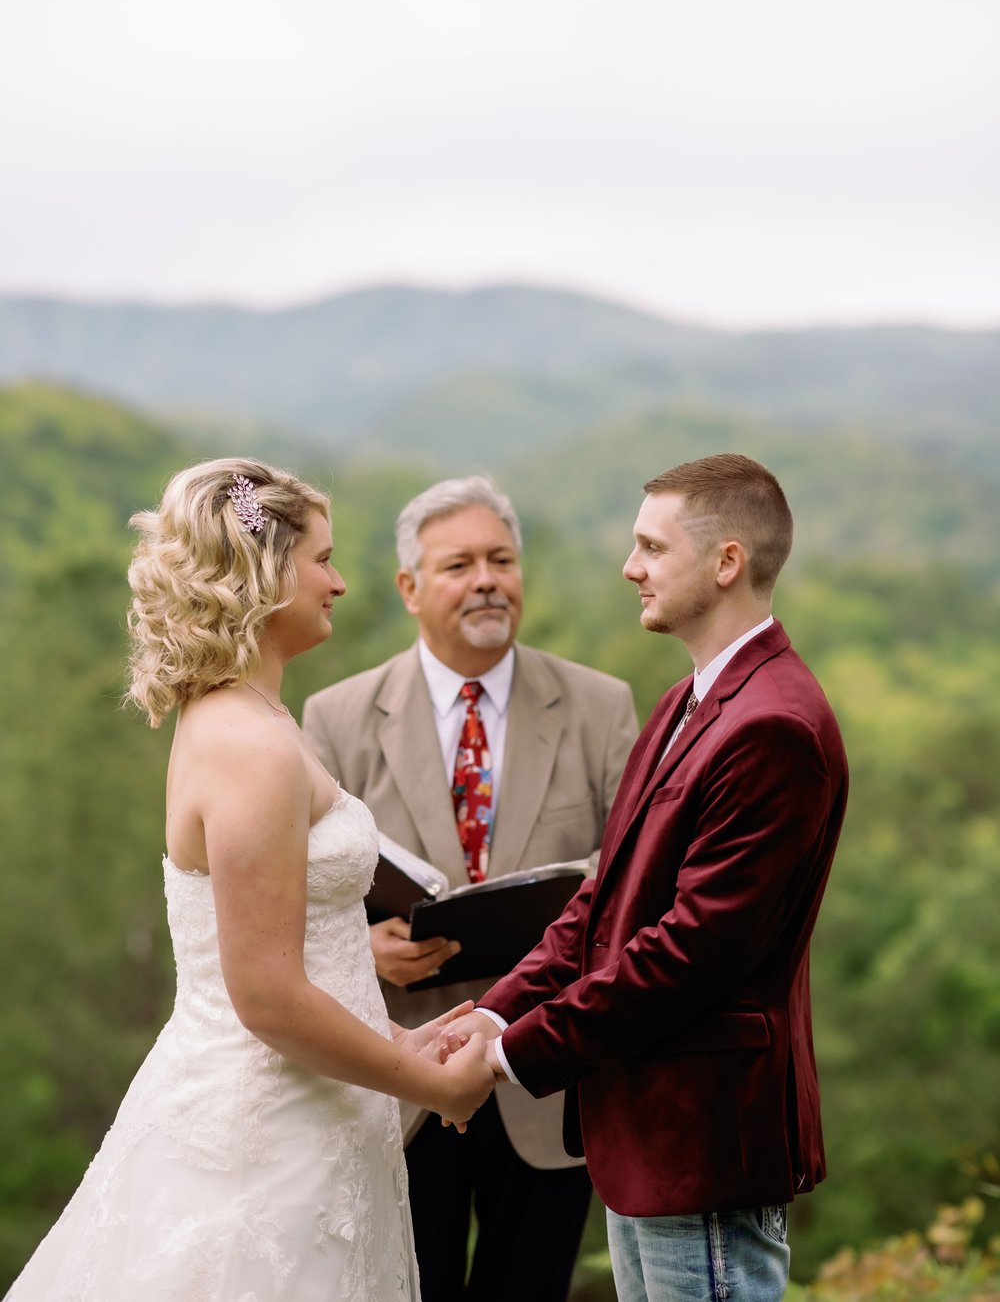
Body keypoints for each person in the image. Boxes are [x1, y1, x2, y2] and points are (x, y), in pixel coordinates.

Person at [5, 457, 494, 1302]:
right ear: (268, 571)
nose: (340, 582)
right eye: (324, 559)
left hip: (318, 1116)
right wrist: (424, 1081)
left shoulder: (267, 717)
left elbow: (309, 951)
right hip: (261, 1143)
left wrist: (400, 1041)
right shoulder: (247, 745)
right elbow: (265, 992)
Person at [443, 453, 849, 1302]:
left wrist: (514, 1054)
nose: (630, 566)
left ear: (726, 561)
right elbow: (602, 903)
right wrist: (492, 1010)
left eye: (652, 547)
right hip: (642, 1136)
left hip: (706, 1146)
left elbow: (689, 952)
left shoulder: (774, 725)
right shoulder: (682, 704)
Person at [303, 475, 638, 1302]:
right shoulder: (336, 717)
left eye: (502, 559)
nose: (488, 578)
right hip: (401, 1078)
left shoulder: (602, 706)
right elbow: (299, 901)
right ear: (410, 588)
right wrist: (364, 948)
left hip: (547, 1075)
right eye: (460, 564)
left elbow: (638, 874)